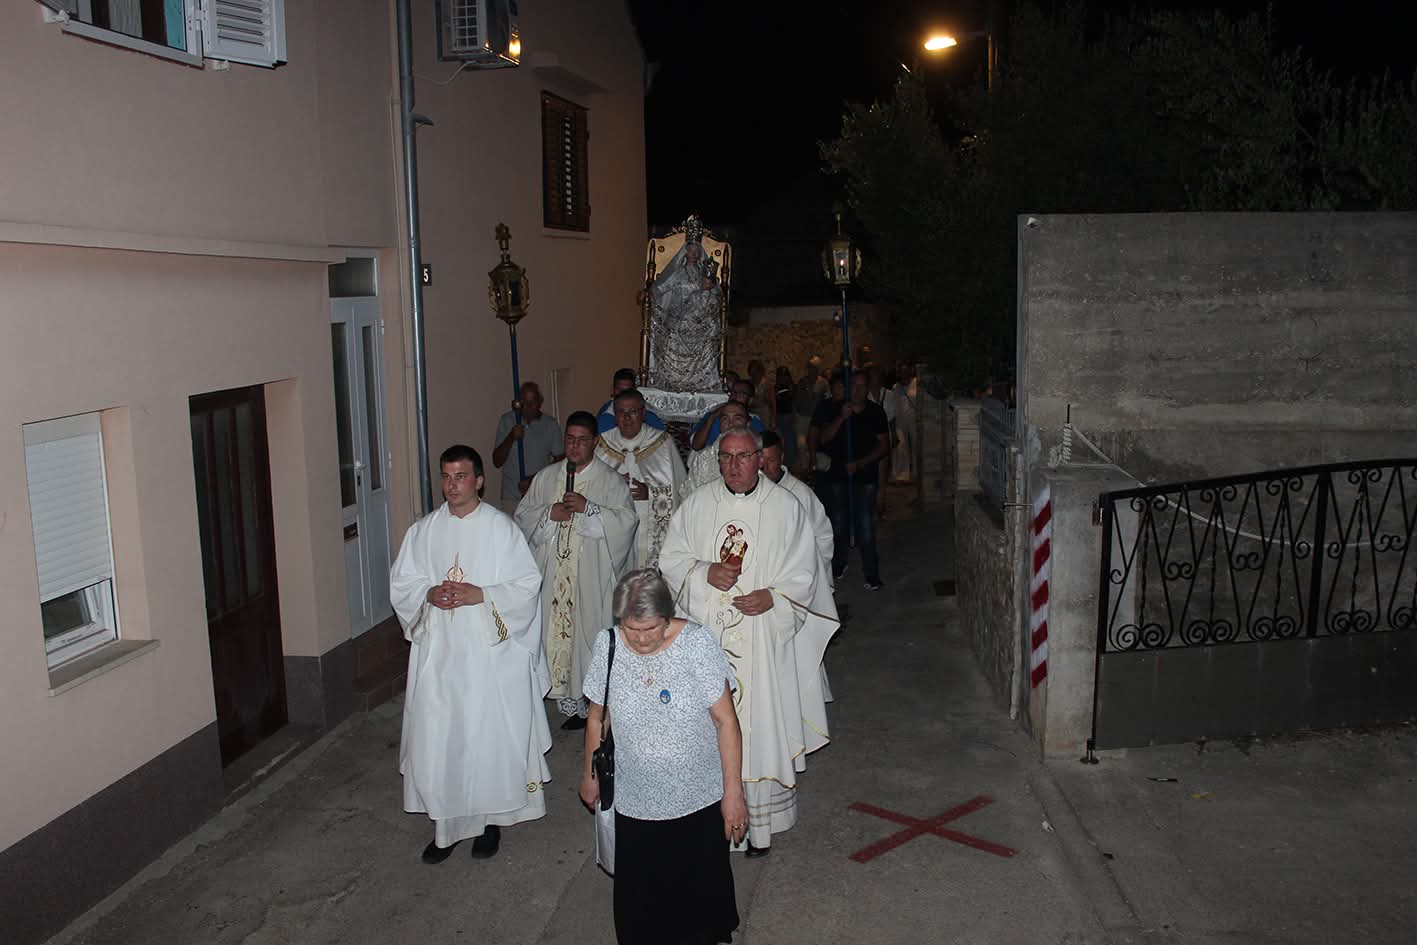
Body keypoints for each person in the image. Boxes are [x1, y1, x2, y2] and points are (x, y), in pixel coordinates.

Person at [658, 428, 833, 856]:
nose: (734, 466)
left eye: (743, 457)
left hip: (761, 640)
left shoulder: (786, 508)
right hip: (709, 641)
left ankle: (760, 827)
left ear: (760, 458)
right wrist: (704, 572)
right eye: (726, 457)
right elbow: (671, 558)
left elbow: (804, 571)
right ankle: (710, 820)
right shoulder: (697, 505)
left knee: (759, 728)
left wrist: (774, 597)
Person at [390, 444, 550, 863]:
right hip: (439, 655)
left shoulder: (501, 529)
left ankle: (489, 822)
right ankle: (446, 829)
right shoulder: (424, 531)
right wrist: (428, 593)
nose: (452, 485)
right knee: (440, 737)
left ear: (478, 480)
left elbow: (526, 585)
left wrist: (483, 595)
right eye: (446, 477)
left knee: (485, 736)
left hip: (487, 656)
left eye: (460, 476)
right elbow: (403, 583)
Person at [579, 569, 745, 945]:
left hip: (698, 797)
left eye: (650, 628)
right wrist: (589, 776)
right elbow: (597, 718)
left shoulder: (697, 644)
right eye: (631, 629)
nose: (640, 638)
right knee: (643, 905)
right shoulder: (608, 644)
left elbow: (726, 722)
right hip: (636, 799)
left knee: (698, 900)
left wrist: (733, 794)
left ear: (667, 617)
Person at [516, 412, 638, 729]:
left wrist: (590, 509)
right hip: (553, 576)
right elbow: (523, 515)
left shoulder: (610, 481)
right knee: (552, 634)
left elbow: (627, 522)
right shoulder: (546, 478)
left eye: (582, 440)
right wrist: (549, 513)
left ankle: (591, 700)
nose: (574, 446)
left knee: (589, 636)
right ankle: (565, 699)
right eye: (570, 439)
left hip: (590, 578)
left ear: (595, 442)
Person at [760, 430, 838, 708]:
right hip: (760, 590)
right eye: (760, 461)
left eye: (771, 460)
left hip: (793, 591)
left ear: (781, 457)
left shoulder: (800, 495)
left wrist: (809, 576)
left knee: (798, 654)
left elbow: (823, 539)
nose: (765, 468)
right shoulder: (748, 495)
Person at [595, 387, 687, 569]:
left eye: (633, 411)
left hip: (649, 521)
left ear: (643, 413)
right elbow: (593, 488)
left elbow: (681, 491)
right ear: (614, 415)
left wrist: (651, 493)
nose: (626, 417)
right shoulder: (603, 443)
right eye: (621, 412)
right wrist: (615, 485)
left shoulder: (662, 442)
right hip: (615, 524)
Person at [818, 369, 891, 589]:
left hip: (865, 476)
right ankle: (838, 565)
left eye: (861, 386)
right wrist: (842, 417)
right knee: (838, 523)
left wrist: (860, 463)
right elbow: (823, 438)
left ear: (867, 389)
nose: (857, 390)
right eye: (853, 386)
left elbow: (884, 445)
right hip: (838, 476)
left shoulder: (875, 412)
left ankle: (871, 573)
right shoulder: (835, 409)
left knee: (865, 525)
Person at [648, 220, 724, 393]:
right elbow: (661, 289)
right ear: (686, 251)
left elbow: (714, 294)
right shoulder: (678, 273)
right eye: (691, 250)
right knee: (673, 337)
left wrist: (714, 297)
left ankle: (703, 381)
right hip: (679, 317)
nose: (695, 254)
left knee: (709, 333)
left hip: (700, 319)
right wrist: (649, 294)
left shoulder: (705, 273)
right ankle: (674, 380)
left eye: (698, 251)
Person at [492, 381, 563, 515]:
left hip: (539, 496)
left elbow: (560, 461)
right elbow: (497, 461)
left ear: (540, 402)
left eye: (532, 402)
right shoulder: (507, 421)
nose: (527, 407)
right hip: (511, 498)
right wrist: (511, 437)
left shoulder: (551, 425)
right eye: (524, 402)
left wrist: (534, 480)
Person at [685, 399, 750, 493]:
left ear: (748, 424)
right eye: (725, 419)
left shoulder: (757, 454)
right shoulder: (704, 457)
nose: (730, 423)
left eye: (737, 418)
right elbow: (691, 494)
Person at [806, 374, 847, 522]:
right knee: (825, 503)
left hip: (845, 462)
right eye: (836, 386)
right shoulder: (824, 406)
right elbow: (814, 433)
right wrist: (812, 457)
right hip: (826, 461)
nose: (839, 390)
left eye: (842, 386)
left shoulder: (851, 406)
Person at [689, 377, 766, 452]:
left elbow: (762, 449)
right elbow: (696, 445)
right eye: (733, 392)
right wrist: (712, 417)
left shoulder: (754, 420)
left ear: (750, 400)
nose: (736, 396)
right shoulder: (713, 415)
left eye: (742, 394)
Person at [597, 367, 666, 434]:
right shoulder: (604, 418)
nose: (623, 394)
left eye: (628, 390)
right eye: (619, 389)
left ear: (635, 389)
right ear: (613, 390)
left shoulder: (649, 416)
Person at [890, 360, 919, 483]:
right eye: (901, 371)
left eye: (906, 370)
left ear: (911, 371)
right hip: (900, 420)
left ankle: (917, 474)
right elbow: (893, 405)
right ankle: (901, 475)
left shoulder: (917, 383)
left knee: (916, 446)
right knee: (901, 447)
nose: (903, 373)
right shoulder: (896, 387)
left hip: (914, 419)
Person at [773, 366, 798, 468]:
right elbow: (774, 403)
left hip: (788, 415)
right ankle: (781, 462)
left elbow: (795, 403)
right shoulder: (775, 387)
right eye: (780, 375)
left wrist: (794, 416)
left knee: (790, 441)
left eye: (784, 375)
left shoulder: (792, 387)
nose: (783, 377)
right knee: (779, 440)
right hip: (779, 416)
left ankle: (789, 462)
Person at [747, 359, 774, 432]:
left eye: (755, 372)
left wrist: (773, 420)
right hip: (751, 412)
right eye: (752, 373)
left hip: (763, 413)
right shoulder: (749, 383)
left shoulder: (767, 384)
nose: (753, 375)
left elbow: (772, 403)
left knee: (763, 432)